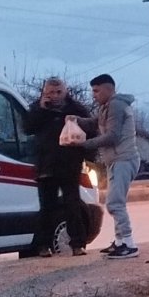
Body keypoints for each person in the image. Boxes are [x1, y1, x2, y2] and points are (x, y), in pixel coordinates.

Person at [68, 73, 141, 259]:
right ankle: (120, 242)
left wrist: (83, 144)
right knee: (116, 202)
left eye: (96, 90)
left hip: (123, 160)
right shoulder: (106, 107)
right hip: (117, 161)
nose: (94, 95)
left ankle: (129, 243)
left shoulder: (116, 105)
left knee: (115, 203)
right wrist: (76, 120)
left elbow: (112, 136)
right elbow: (95, 123)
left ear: (109, 89)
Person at [22, 77, 92, 257]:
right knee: (47, 207)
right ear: (44, 93)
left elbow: (91, 131)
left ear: (65, 91)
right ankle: (43, 245)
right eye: (51, 92)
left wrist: (86, 157)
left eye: (59, 92)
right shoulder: (37, 109)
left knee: (72, 205)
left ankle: (78, 244)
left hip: (69, 164)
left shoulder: (76, 109)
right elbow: (27, 128)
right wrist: (42, 109)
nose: (55, 96)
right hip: (46, 165)